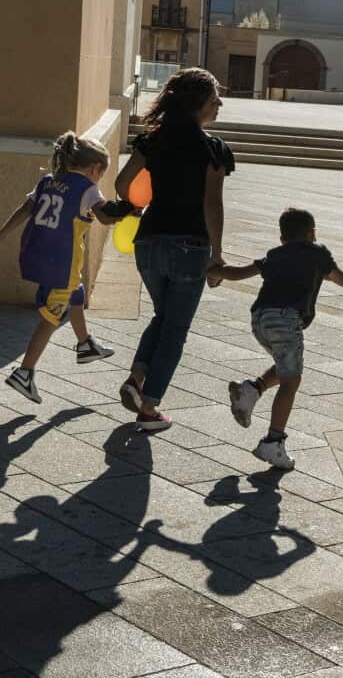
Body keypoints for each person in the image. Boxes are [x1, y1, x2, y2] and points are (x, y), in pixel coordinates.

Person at [114, 68, 234, 431]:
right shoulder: (213, 149)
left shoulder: (152, 140)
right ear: (198, 103)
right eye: (214, 98)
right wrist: (217, 254)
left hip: (148, 242)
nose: (219, 104)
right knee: (176, 327)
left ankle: (136, 380)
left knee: (163, 317)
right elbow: (212, 204)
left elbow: (122, 183)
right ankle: (149, 407)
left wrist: (137, 202)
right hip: (189, 246)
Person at [0, 131, 136, 403]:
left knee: (76, 294)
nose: (99, 178)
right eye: (101, 173)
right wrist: (130, 207)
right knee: (50, 319)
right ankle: (24, 372)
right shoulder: (86, 188)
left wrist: (1, 235)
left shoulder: (48, 181)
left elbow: (25, 209)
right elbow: (105, 217)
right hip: (63, 263)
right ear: (94, 168)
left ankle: (85, 344)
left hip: (39, 255)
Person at [208, 208, 343, 470]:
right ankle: (273, 442)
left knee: (286, 365)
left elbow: (239, 273)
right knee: (291, 381)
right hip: (287, 319)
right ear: (313, 234)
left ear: (282, 238)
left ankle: (252, 389)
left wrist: (215, 271)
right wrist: (327, 272)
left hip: (260, 319)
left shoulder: (275, 254)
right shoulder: (319, 253)